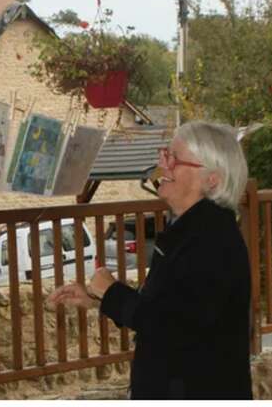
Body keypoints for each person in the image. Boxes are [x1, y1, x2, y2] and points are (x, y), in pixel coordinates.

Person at [47, 120, 253, 399]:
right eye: (165, 155)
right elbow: (168, 306)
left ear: (212, 179)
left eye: (174, 159)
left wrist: (112, 292)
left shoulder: (212, 240)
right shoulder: (189, 229)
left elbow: (175, 328)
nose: (163, 165)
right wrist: (98, 299)